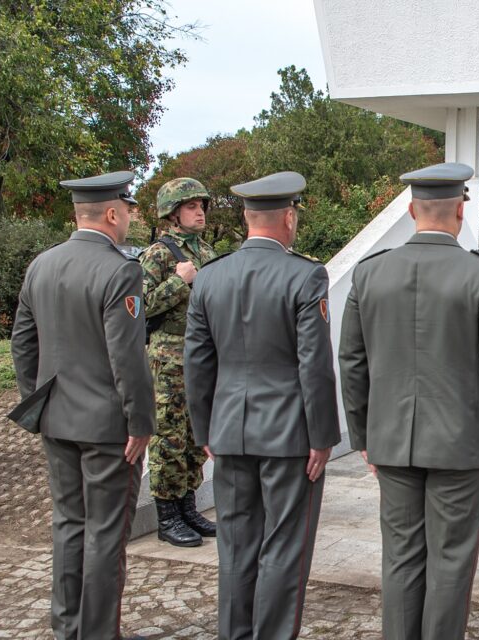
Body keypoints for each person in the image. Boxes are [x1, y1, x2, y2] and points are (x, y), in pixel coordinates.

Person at [338, 162, 479, 640]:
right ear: (461, 210)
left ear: (409, 209)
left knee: (400, 558)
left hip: (391, 442)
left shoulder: (370, 274)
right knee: (450, 562)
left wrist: (363, 436)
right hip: (462, 448)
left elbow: (352, 362)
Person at [183, 171, 340, 639]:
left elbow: (197, 363)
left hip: (229, 431)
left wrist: (204, 430)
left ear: (249, 220)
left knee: (235, 547)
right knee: (285, 548)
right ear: (288, 218)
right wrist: (322, 436)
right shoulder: (305, 274)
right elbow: (314, 365)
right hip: (290, 436)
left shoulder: (209, 278)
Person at [9, 170, 154, 640]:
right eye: (128, 210)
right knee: (106, 535)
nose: (130, 218)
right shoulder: (120, 269)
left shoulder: (42, 265)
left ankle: (67, 627)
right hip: (109, 427)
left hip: (57, 418)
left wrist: (38, 400)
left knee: (69, 525)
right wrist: (140, 421)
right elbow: (126, 356)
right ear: (112, 213)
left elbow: (23, 344)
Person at [140, 177, 218, 547]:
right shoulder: (158, 253)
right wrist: (177, 281)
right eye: (191, 206)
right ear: (172, 214)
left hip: (200, 356)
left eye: (201, 205)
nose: (199, 210)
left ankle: (188, 507)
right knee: (168, 437)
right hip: (168, 360)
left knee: (192, 438)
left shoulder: (207, 251)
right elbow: (138, 307)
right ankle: (167, 517)